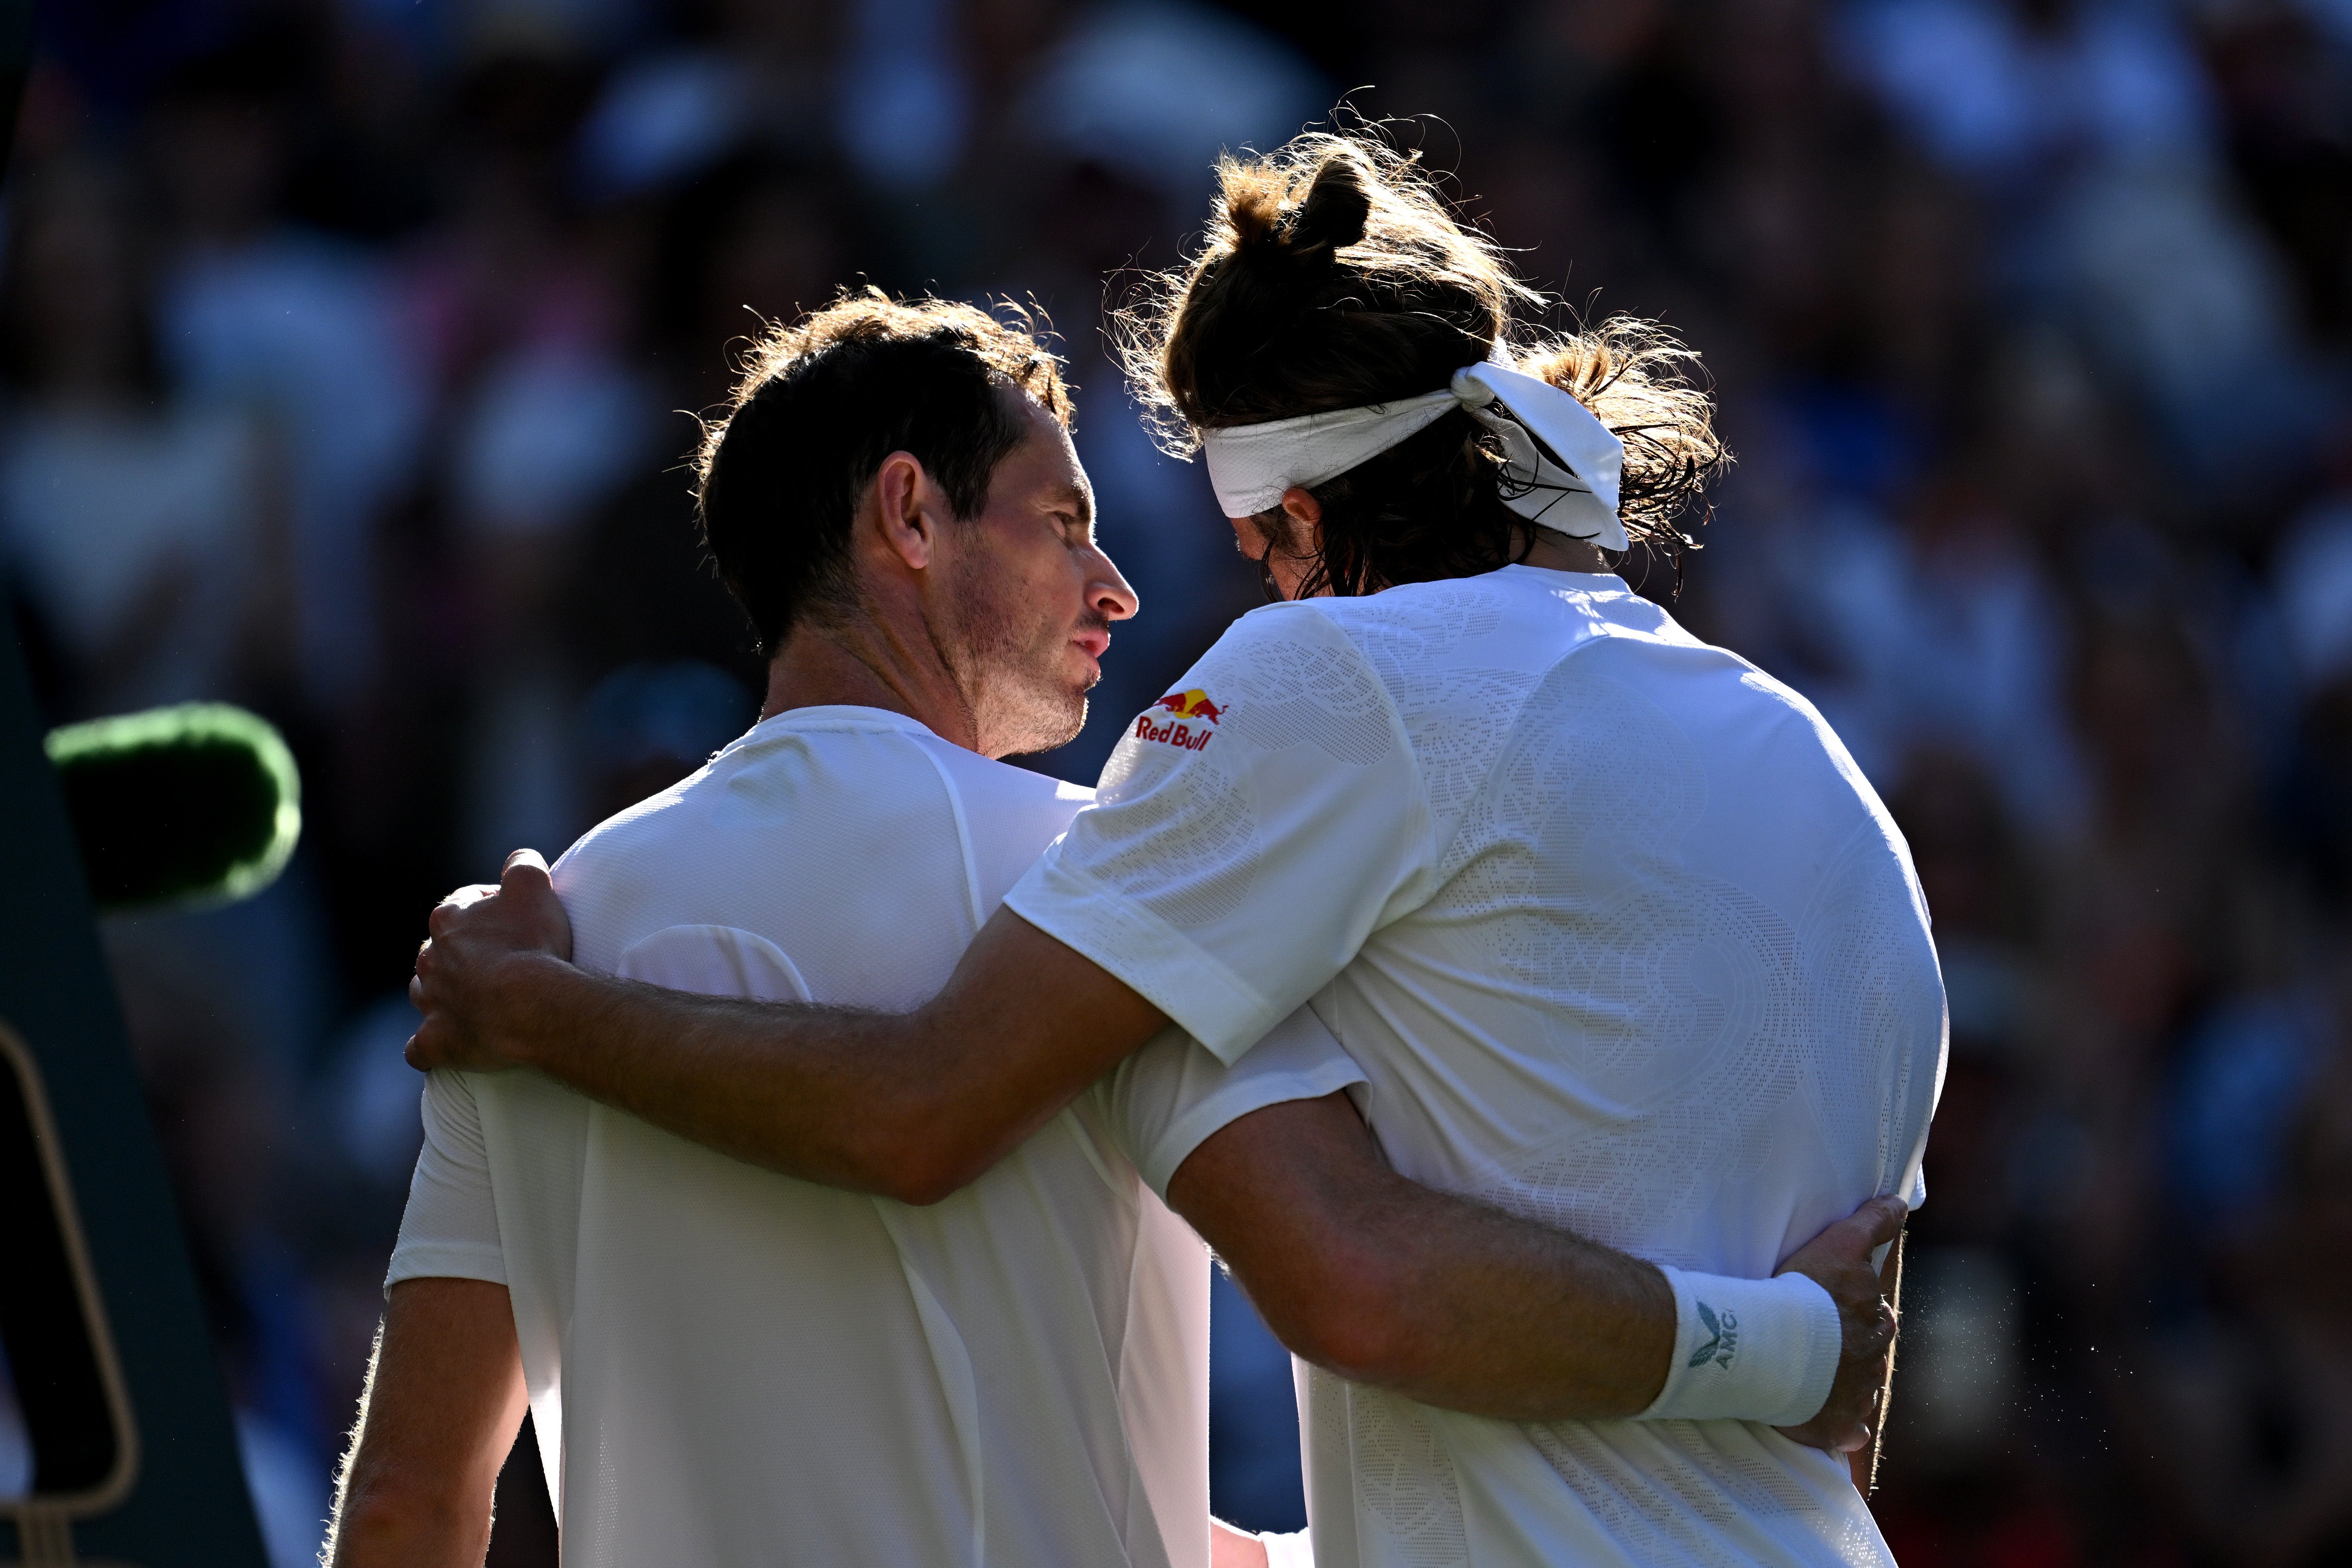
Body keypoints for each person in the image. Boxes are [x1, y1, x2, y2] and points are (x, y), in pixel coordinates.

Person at [406, 130, 1934, 1565]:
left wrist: (543, 1013)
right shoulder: (1820, 775)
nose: (1223, 601)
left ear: (1306, 513)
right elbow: (1784, 1436)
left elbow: (947, 1116)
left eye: (1259, 550)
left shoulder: (1318, 689)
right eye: (1068, 521)